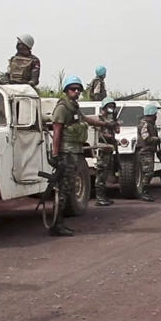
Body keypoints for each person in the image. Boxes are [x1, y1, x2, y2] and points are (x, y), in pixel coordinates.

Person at [50, 76, 118, 235]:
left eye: (78, 89)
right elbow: (57, 131)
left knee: (68, 189)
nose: (76, 92)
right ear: (66, 90)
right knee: (64, 189)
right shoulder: (62, 108)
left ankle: (59, 223)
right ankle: (57, 225)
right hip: (66, 153)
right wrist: (55, 154)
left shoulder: (73, 107)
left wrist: (106, 124)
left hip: (74, 152)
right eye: (73, 89)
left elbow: (86, 119)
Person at [94, 97, 119, 206]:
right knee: (101, 174)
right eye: (109, 106)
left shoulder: (110, 120)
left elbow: (117, 131)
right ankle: (99, 198)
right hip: (102, 149)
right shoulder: (99, 119)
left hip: (109, 149)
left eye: (112, 107)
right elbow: (100, 134)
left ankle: (103, 196)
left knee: (105, 174)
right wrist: (109, 135)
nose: (111, 109)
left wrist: (115, 122)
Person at [136, 103, 161, 202]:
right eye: (155, 114)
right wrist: (156, 139)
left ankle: (145, 192)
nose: (156, 116)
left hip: (149, 150)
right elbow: (146, 138)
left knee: (149, 172)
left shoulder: (151, 125)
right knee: (148, 173)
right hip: (145, 151)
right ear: (151, 114)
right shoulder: (144, 124)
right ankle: (144, 193)